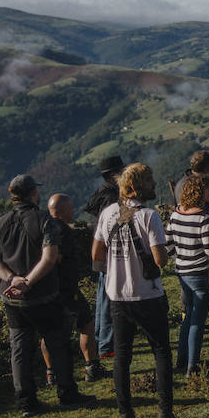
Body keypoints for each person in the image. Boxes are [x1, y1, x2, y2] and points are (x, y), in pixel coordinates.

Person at [0, 174, 90, 417]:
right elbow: (50, 257)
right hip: (43, 294)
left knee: (19, 348)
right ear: (33, 193)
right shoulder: (44, 220)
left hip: (11, 297)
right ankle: (67, 393)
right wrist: (29, 282)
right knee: (57, 343)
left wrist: (11, 279)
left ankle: (26, 402)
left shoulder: (0, 223)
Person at [91, 163, 183, 418]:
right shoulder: (149, 216)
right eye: (150, 182)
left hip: (117, 295)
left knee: (122, 357)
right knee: (161, 352)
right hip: (147, 294)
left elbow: (96, 253)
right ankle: (165, 415)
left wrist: (117, 267)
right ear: (138, 186)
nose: (154, 186)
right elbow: (159, 260)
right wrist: (166, 251)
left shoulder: (108, 213)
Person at [38, 193, 107, 384]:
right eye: (70, 208)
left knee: (48, 331)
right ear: (62, 211)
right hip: (67, 289)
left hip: (47, 290)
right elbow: (56, 258)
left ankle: (51, 373)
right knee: (86, 324)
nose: (73, 211)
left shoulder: (42, 227)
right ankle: (91, 367)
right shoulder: (61, 230)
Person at [166, 173, 209, 376]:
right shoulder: (203, 217)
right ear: (200, 193)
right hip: (201, 274)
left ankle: (181, 359)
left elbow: (168, 247)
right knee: (198, 320)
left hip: (182, 272)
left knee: (188, 317)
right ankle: (192, 365)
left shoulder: (175, 215)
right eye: (208, 189)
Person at [84, 155, 125, 365]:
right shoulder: (111, 196)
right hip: (110, 253)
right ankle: (106, 345)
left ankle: (101, 340)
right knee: (109, 299)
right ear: (113, 175)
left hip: (101, 252)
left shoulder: (101, 194)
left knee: (102, 298)